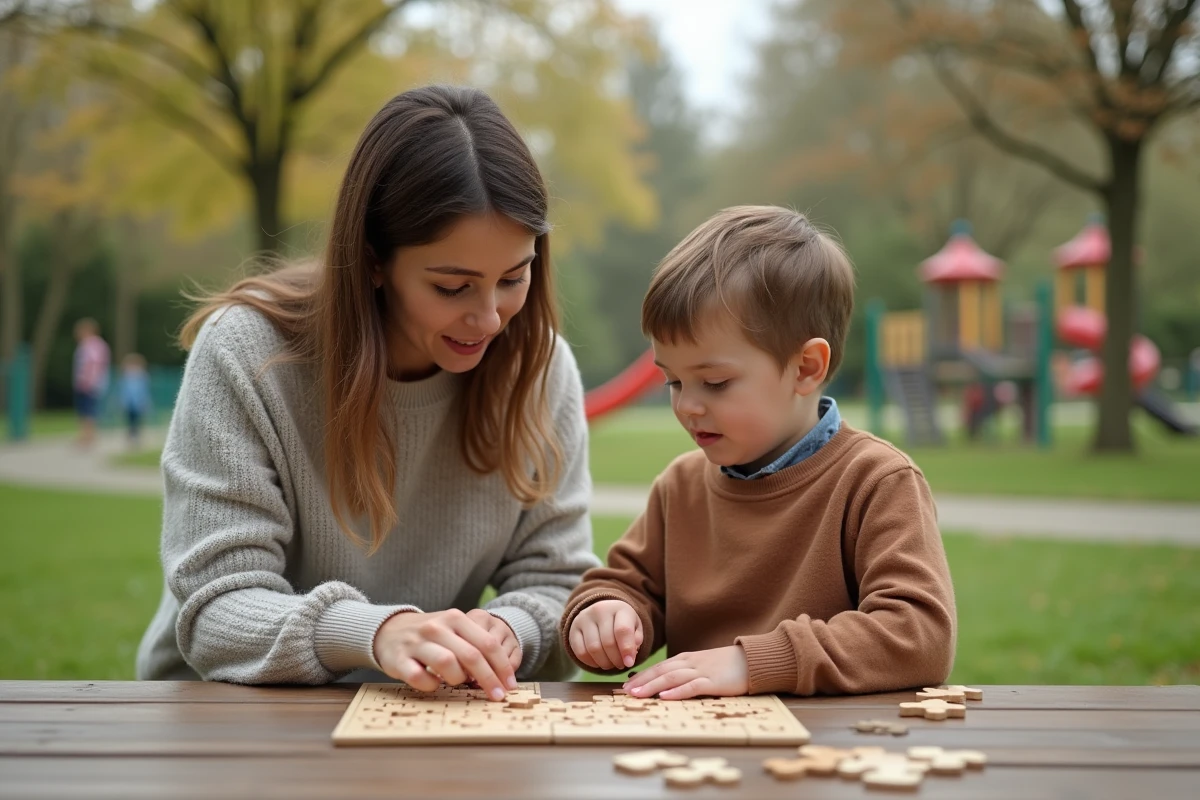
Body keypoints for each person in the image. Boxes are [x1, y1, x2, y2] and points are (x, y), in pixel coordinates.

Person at [136, 85, 601, 700]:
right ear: (374, 261)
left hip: (420, 712)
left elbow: (558, 583)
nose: (490, 318)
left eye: (513, 278)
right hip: (227, 707)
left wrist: (502, 633)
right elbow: (217, 610)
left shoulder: (539, 368)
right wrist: (375, 633)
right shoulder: (245, 353)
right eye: (452, 287)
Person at [560, 206, 956, 698]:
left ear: (806, 368)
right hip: (699, 758)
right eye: (673, 381)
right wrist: (604, 615)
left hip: (833, 756)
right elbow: (626, 586)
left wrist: (755, 664)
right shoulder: (680, 487)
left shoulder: (876, 481)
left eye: (715, 382)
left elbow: (919, 634)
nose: (687, 405)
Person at [72, 318, 111, 448]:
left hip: (89, 384)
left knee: (87, 410)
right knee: (87, 409)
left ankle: (88, 436)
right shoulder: (95, 344)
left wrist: (87, 381)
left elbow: (92, 364)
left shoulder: (91, 344)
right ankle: (87, 435)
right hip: (92, 383)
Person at [118, 353, 152, 449]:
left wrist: (145, 403)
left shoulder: (142, 377)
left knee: (137, 422)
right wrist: (122, 402)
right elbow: (123, 392)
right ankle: (131, 437)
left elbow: (144, 391)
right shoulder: (125, 377)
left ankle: (136, 438)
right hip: (129, 404)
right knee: (130, 421)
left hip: (138, 404)